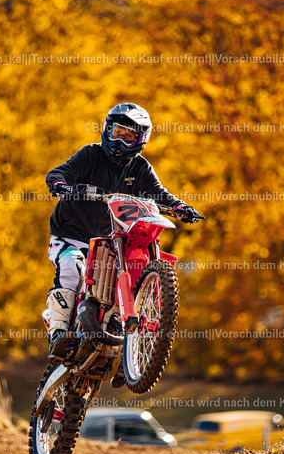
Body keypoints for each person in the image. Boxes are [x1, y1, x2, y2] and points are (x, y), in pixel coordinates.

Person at [45, 102, 200, 361]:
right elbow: (61, 172)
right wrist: (61, 185)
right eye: (116, 132)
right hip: (70, 236)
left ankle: (119, 334)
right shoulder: (90, 155)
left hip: (108, 244)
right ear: (107, 129)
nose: (119, 140)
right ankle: (58, 332)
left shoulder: (140, 169)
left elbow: (159, 194)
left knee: (128, 269)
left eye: (128, 136)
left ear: (140, 140)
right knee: (72, 264)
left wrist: (180, 207)